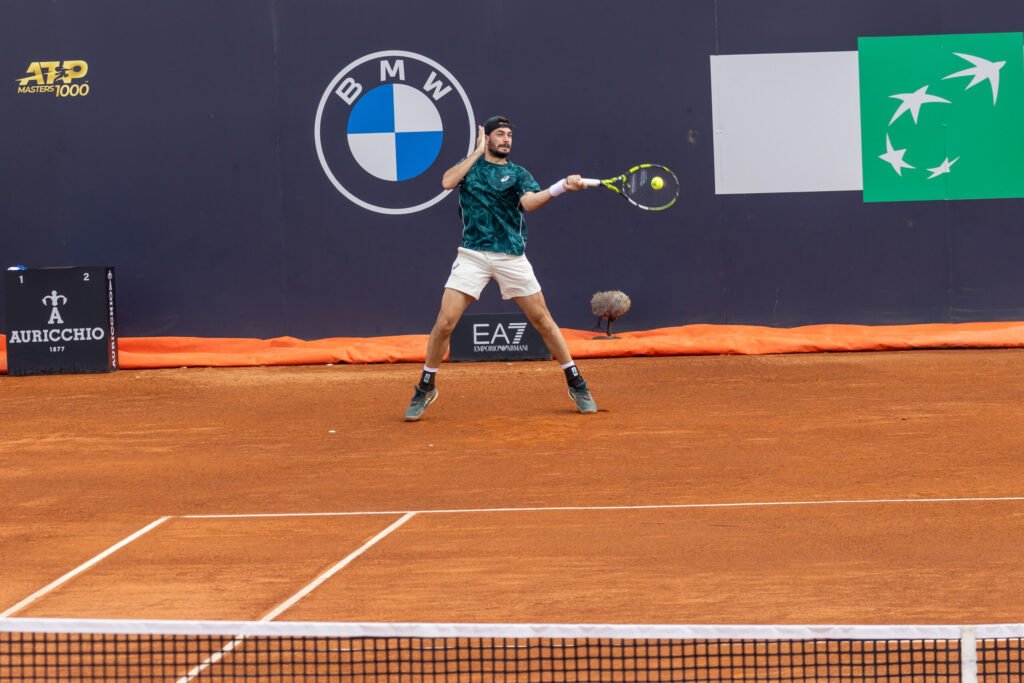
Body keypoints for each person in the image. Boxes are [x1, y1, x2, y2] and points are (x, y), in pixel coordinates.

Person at [404, 115, 598, 421]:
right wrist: (476, 152)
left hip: (511, 256)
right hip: (472, 255)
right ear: (488, 137)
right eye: (500, 134)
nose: (506, 139)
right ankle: (426, 386)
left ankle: (577, 383)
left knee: (543, 321)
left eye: (509, 135)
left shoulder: (519, 174)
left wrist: (560, 187)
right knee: (444, 323)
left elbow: (531, 203)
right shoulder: (470, 169)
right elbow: (446, 182)